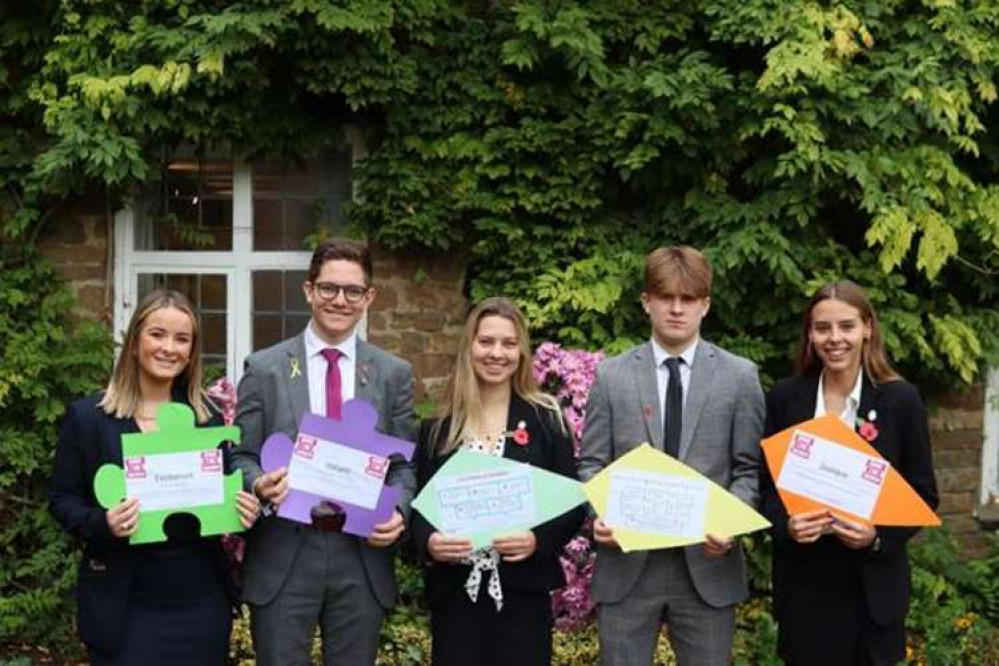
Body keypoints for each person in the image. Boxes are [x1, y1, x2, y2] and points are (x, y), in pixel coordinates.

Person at [48, 288, 261, 665]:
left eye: (182, 339)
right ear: (134, 342)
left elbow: (225, 492)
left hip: (201, 601)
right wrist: (103, 522)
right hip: (124, 603)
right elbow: (62, 500)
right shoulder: (89, 418)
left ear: (192, 351)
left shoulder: (205, 418)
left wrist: (244, 511)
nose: (169, 348)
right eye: (157, 334)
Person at [232, 238, 417, 666]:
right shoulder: (265, 368)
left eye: (353, 291)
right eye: (329, 288)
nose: (340, 300)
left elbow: (404, 467)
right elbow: (239, 456)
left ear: (368, 297)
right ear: (308, 290)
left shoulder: (392, 374)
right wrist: (257, 483)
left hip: (361, 555)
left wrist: (400, 513)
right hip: (284, 551)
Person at [578, 246, 765, 666]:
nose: (677, 309)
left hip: (707, 567)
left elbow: (748, 469)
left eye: (688, 299)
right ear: (647, 302)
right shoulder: (612, 376)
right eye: (666, 297)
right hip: (627, 566)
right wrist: (600, 515)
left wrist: (730, 524)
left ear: (706, 305)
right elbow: (591, 464)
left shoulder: (739, 377)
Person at [759, 280, 938, 666]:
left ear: (867, 328)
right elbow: (766, 490)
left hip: (873, 592)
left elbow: (923, 495)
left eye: (847, 326)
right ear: (810, 333)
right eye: (822, 328)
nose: (834, 338)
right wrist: (787, 526)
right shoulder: (786, 398)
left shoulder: (900, 401)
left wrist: (876, 537)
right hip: (806, 591)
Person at [411, 297, 584, 666]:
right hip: (456, 598)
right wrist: (430, 542)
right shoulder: (438, 428)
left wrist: (537, 539)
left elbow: (572, 504)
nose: (496, 353)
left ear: (521, 352)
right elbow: (418, 510)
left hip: (523, 596)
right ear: (469, 347)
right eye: (486, 341)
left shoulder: (547, 421)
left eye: (508, 343)